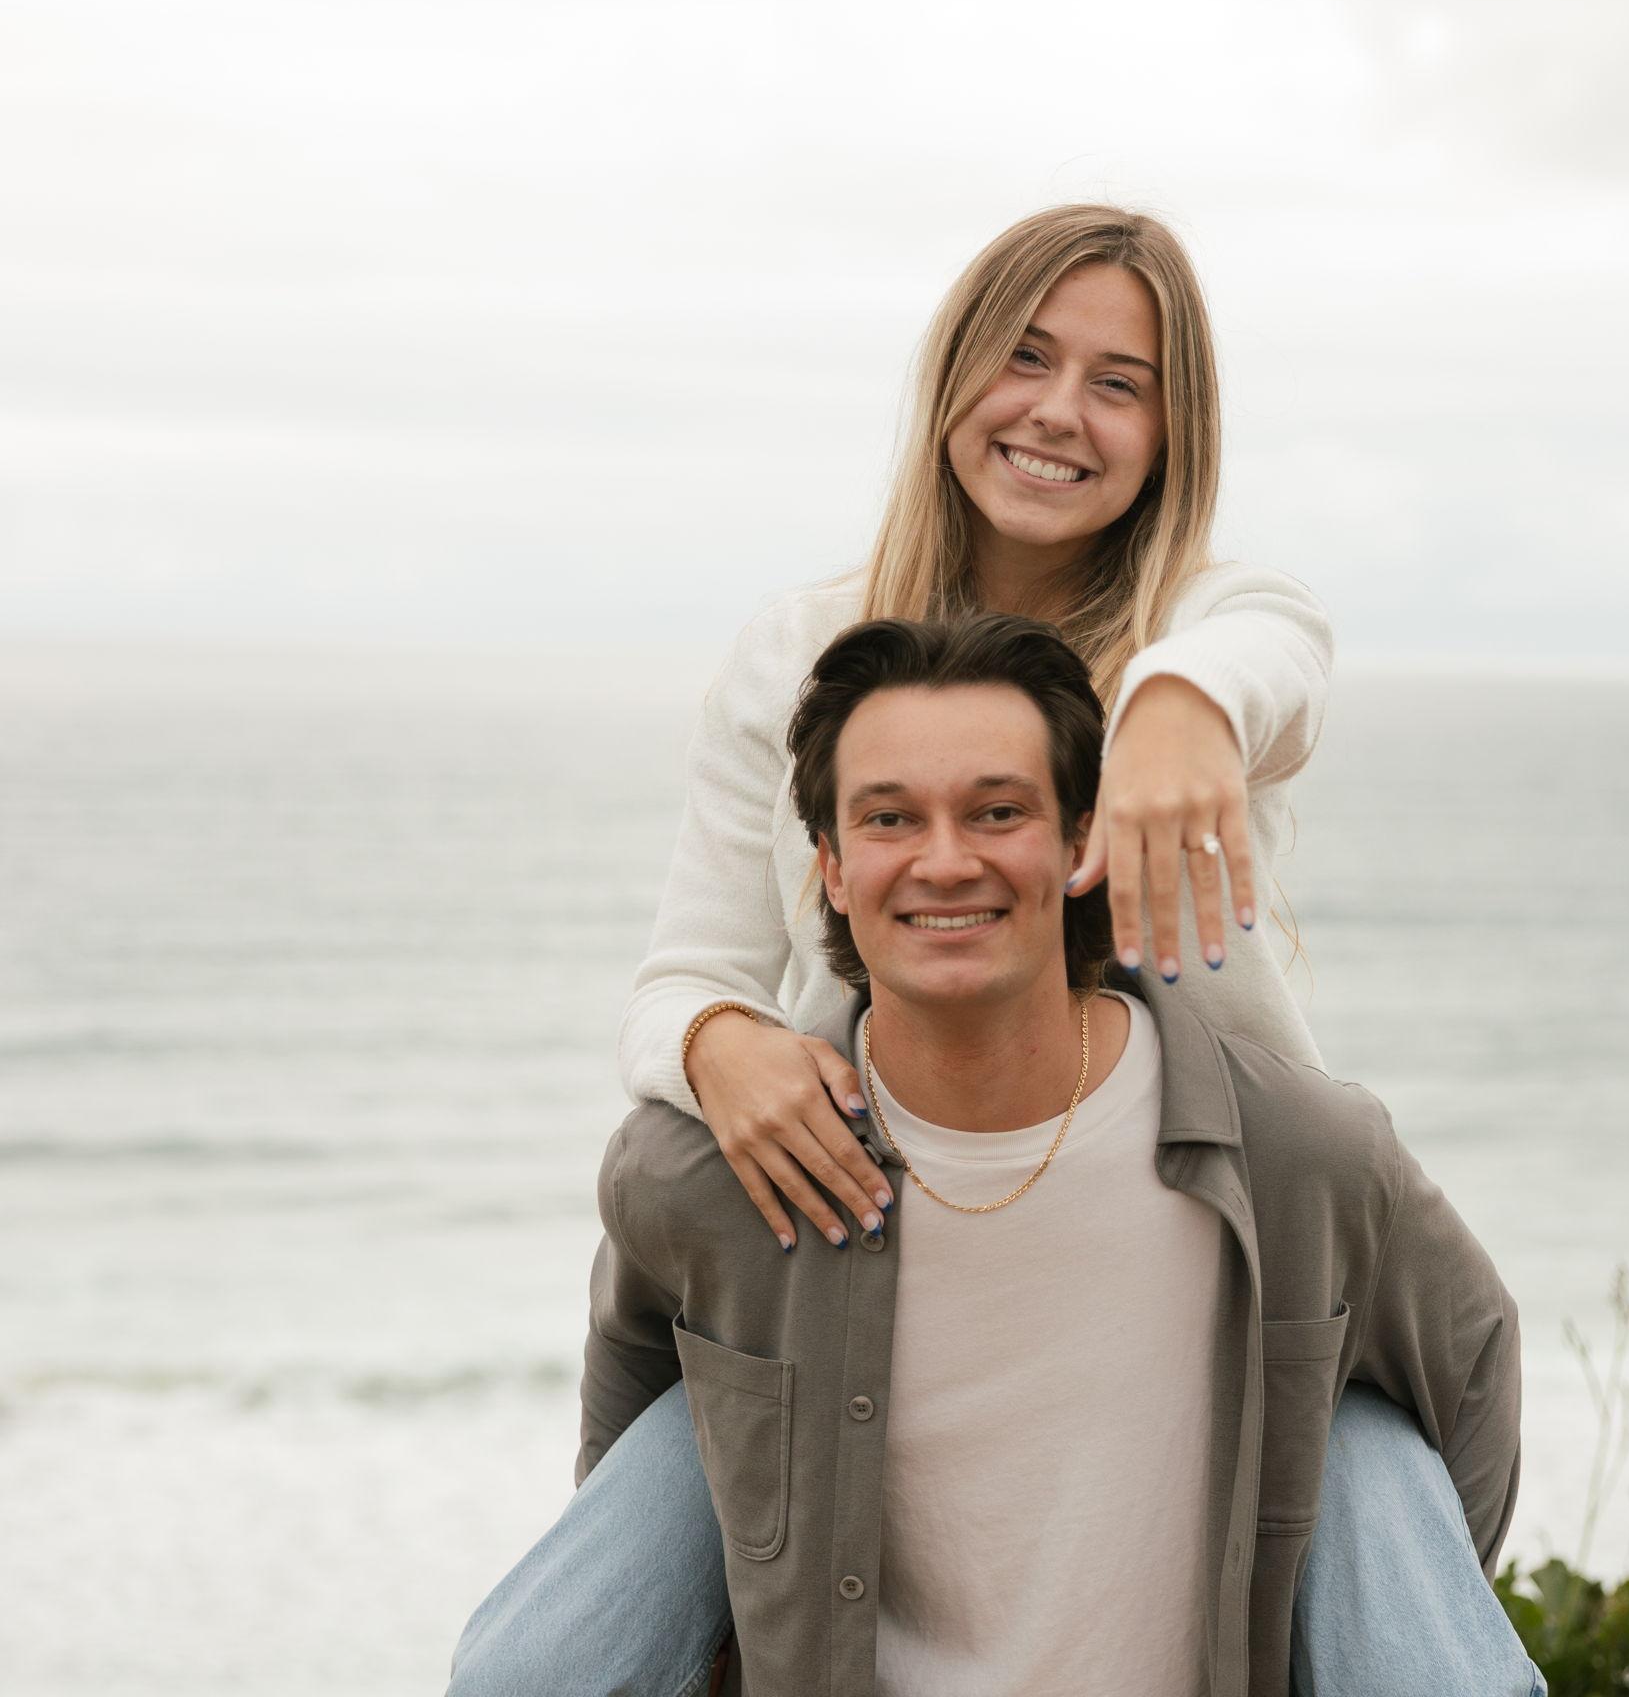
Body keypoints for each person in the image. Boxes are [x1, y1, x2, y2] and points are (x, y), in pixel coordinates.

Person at [447, 206, 1544, 1694]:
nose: (1059, 412)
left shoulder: (1209, 632)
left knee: (1372, 1491)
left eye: (1119, 382)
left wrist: (1178, 706)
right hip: (859, 1232)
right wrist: (722, 1044)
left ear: (1171, 432)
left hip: (1203, 1236)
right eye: (1026, 358)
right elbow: (682, 981)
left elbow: (1269, 655)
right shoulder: (798, 651)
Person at [588, 613, 1530, 1694]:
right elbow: (631, 1477)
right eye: (890, 818)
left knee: (1370, 1442)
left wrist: (1357, 1633)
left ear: (1082, 841)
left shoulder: (1299, 1156)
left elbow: (1467, 1391)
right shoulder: (705, 1173)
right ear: (831, 870)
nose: (946, 861)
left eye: (998, 811)